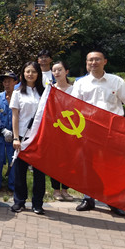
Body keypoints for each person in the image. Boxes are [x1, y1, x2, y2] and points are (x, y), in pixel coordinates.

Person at [72, 49, 125, 216]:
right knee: (89, 165)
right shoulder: (80, 83)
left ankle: (112, 201)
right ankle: (88, 198)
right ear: (86, 63)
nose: (93, 63)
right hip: (89, 131)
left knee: (112, 166)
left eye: (97, 59)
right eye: (90, 60)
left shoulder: (116, 81)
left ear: (105, 62)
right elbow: (73, 107)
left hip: (113, 132)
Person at [10, 62, 46, 215]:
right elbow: (15, 116)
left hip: (40, 137)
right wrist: (15, 137)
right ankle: (19, 201)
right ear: (23, 74)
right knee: (20, 171)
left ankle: (37, 204)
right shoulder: (17, 93)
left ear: (38, 74)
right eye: (27, 71)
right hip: (22, 137)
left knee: (39, 173)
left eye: (33, 72)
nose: (30, 74)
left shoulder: (45, 93)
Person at [50, 61, 74, 201]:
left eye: (60, 69)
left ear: (67, 71)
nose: (57, 73)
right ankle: (56, 190)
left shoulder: (74, 90)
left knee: (69, 161)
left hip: (71, 130)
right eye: (54, 70)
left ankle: (65, 190)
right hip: (55, 130)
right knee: (55, 161)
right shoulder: (50, 89)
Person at [0, 71, 18, 192]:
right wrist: (3, 130)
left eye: (9, 81)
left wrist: (14, 133)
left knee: (14, 160)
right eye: (5, 81)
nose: (7, 84)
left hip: (14, 136)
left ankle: (13, 185)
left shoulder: (19, 97)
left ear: (15, 82)